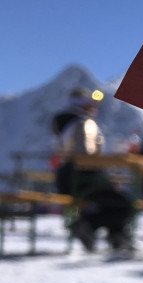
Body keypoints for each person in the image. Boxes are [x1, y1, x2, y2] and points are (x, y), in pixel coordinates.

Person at [52, 87, 135, 253]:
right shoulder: (84, 123)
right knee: (123, 202)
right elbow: (88, 157)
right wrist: (106, 174)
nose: (94, 108)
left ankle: (96, 230)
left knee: (114, 201)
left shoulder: (62, 123)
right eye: (91, 104)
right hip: (83, 178)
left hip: (66, 177)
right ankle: (98, 229)